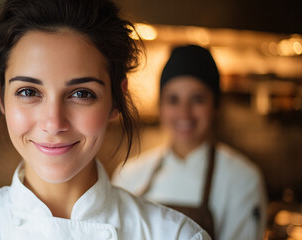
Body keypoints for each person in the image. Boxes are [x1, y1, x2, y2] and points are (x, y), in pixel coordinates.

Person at [0, 1, 211, 239]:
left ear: (116, 101)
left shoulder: (177, 236)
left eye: (81, 93)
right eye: (29, 91)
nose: (53, 123)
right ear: (0, 95)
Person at [112, 44, 267, 240]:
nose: (184, 113)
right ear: (160, 106)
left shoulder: (242, 180)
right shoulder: (129, 175)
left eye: (197, 99)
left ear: (215, 105)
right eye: (173, 100)